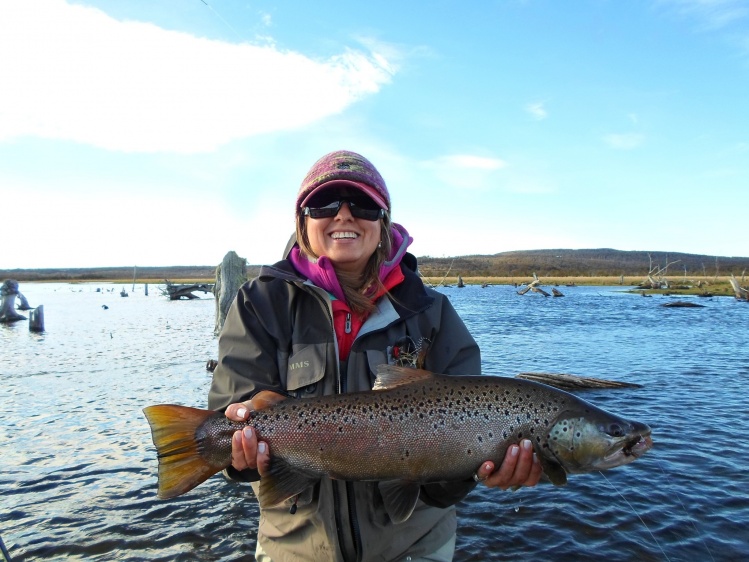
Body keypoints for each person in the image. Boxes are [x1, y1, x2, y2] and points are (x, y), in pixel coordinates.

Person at [207, 150, 542, 562]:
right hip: (294, 547)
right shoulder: (260, 304)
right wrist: (236, 451)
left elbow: (448, 483)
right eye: (325, 204)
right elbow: (230, 421)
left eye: (363, 204)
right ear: (302, 221)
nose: (345, 215)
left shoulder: (430, 312)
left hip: (416, 546)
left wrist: (481, 467)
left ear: (383, 223)